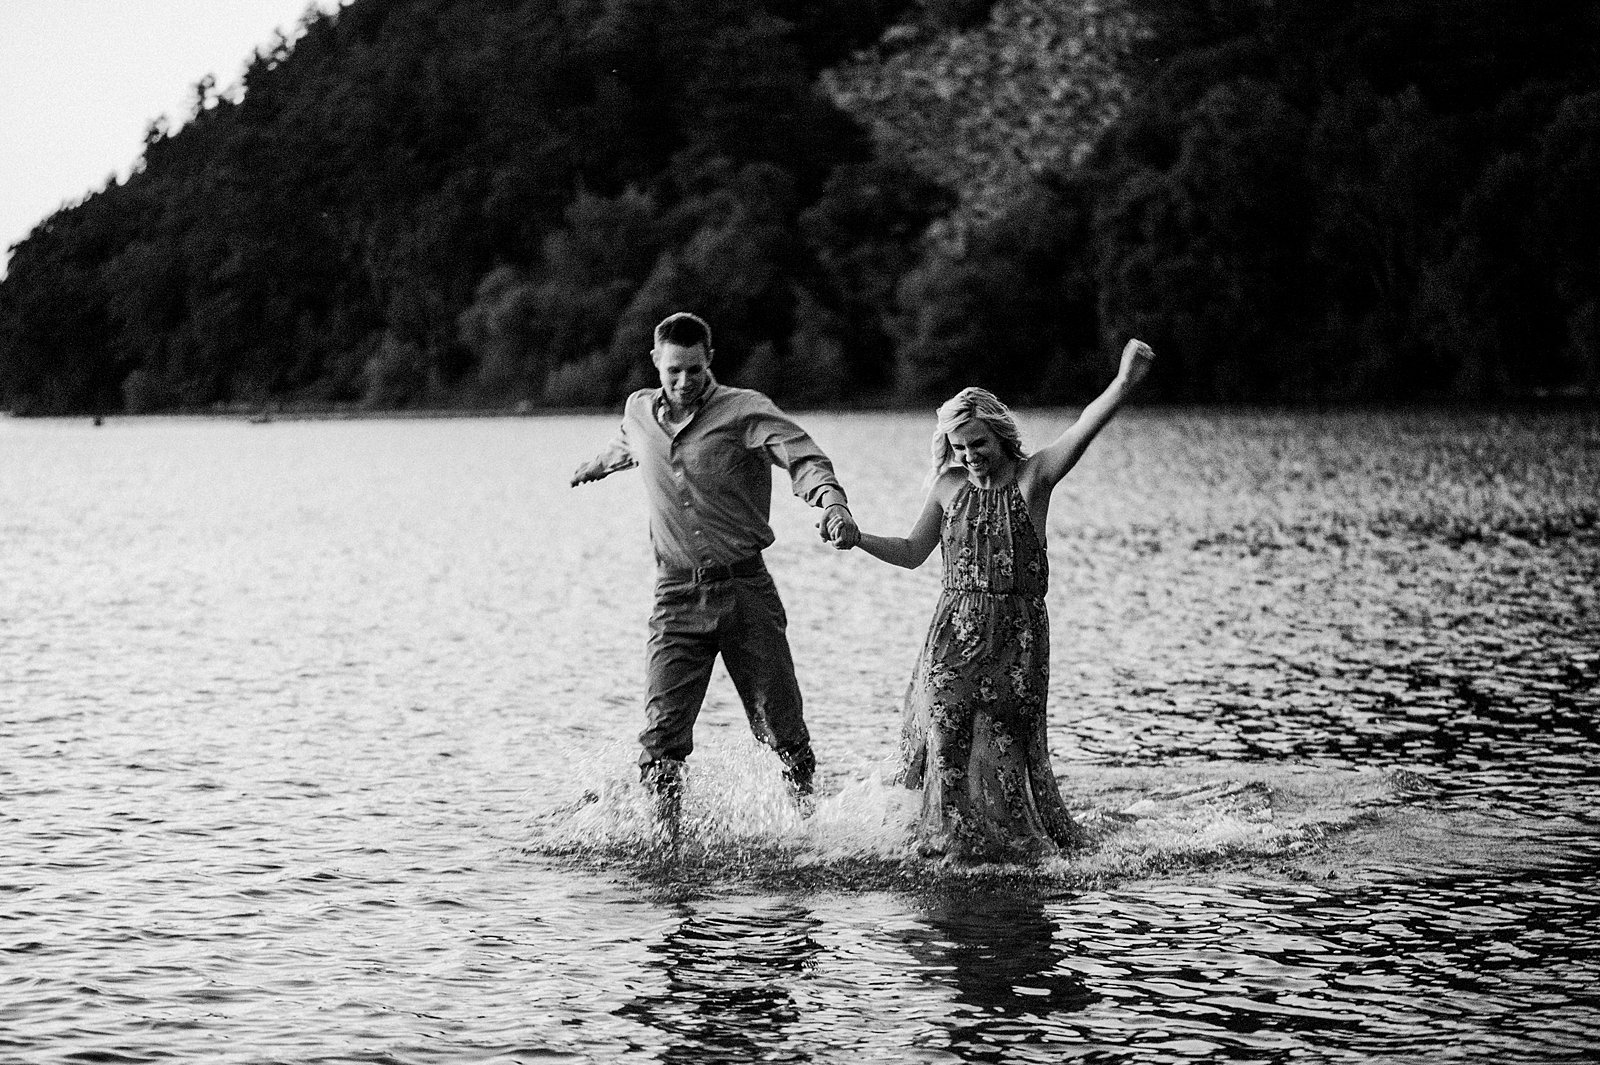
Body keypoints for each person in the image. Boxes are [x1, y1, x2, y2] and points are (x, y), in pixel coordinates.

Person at [831, 338, 1156, 861]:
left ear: (1000, 436)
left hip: (1017, 638)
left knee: (1010, 744)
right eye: (959, 448)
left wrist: (1122, 383)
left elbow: (1081, 429)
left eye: (977, 444)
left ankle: (1007, 845)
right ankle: (945, 843)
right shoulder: (948, 487)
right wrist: (859, 537)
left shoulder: (1033, 479)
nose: (969, 456)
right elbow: (914, 551)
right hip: (952, 632)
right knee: (945, 732)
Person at [571, 311, 859, 815]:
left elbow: (804, 458)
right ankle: (667, 842)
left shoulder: (743, 411)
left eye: (695, 371)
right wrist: (596, 466)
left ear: (710, 361)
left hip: (745, 590)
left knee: (782, 731)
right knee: (661, 738)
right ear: (656, 362)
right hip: (676, 597)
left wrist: (831, 502)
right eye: (674, 371)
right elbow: (627, 442)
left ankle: (806, 828)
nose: (684, 383)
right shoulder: (639, 410)